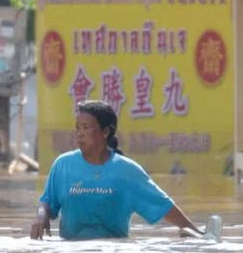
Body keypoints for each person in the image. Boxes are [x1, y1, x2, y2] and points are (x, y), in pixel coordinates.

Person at [30, 100, 222, 241]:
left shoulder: (127, 171)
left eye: (86, 127)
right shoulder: (63, 165)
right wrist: (41, 216)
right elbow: (47, 202)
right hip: (70, 252)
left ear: (105, 132)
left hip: (114, 252)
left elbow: (162, 205)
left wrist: (196, 233)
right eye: (77, 127)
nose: (79, 133)